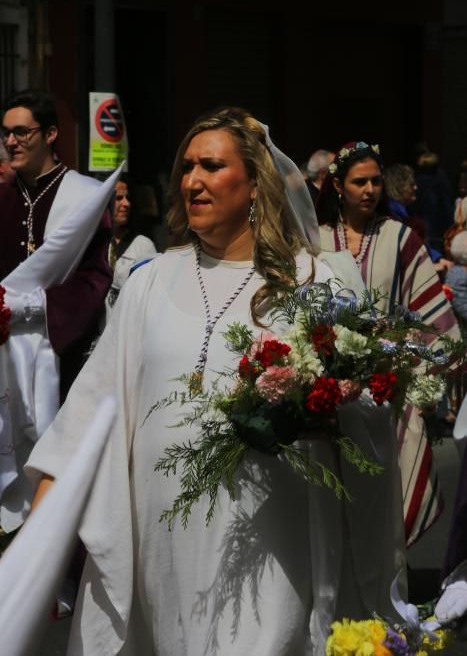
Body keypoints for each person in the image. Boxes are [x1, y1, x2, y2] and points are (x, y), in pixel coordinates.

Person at [26, 108, 405, 655]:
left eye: (210, 165)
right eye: (186, 167)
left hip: (271, 539)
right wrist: (38, 547)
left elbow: (367, 410)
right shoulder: (147, 284)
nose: (192, 181)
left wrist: (330, 411)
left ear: (254, 183)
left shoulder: (312, 284)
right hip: (163, 540)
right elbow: (86, 416)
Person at [317, 141, 461, 548]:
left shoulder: (401, 238)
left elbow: (431, 316)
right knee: (334, 500)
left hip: (387, 392)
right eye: (359, 181)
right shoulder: (316, 240)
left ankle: (389, 598)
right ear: (338, 187)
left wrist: (424, 373)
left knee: (385, 495)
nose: (369, 190)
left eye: (376, 181)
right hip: (331, 393)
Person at [0, 89, 113, 537]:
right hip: (5, 357)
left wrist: (33, 308)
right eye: (6, 133)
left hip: (66, 355)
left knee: (60, 466)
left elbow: (95, 275)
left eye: (22, 131)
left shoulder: (82, 196)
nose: (11, 141)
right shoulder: (3, 198)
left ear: (50, 134)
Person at [105, 176, 157, 322]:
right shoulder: (93, 244)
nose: (126, 203)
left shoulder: (142, 246)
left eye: (128, 198)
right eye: (118, 198)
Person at [384, 162, 452, 274]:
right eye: (411, 184)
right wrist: (432, 266)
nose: (416, 187)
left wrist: (438, 258)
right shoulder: (392, 215)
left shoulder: (407, 210)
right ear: (399, 186)